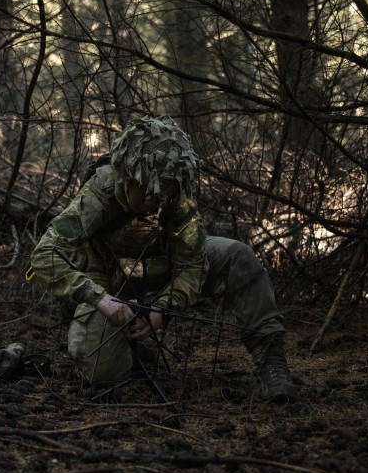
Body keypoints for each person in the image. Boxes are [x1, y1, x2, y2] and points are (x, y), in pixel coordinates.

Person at [28, 116, 298, 402]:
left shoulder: (174, 191)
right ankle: (131, 351)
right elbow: (44, 254)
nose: (155, 203)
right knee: (100, 371)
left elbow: (193, 261)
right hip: (107, 283)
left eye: (163, 194)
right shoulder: (98, 194)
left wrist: (161, 308)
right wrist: (99, 299)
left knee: (237, 256)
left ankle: (272, 365)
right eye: (146, 193)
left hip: (161, 270)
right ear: (125, 176)